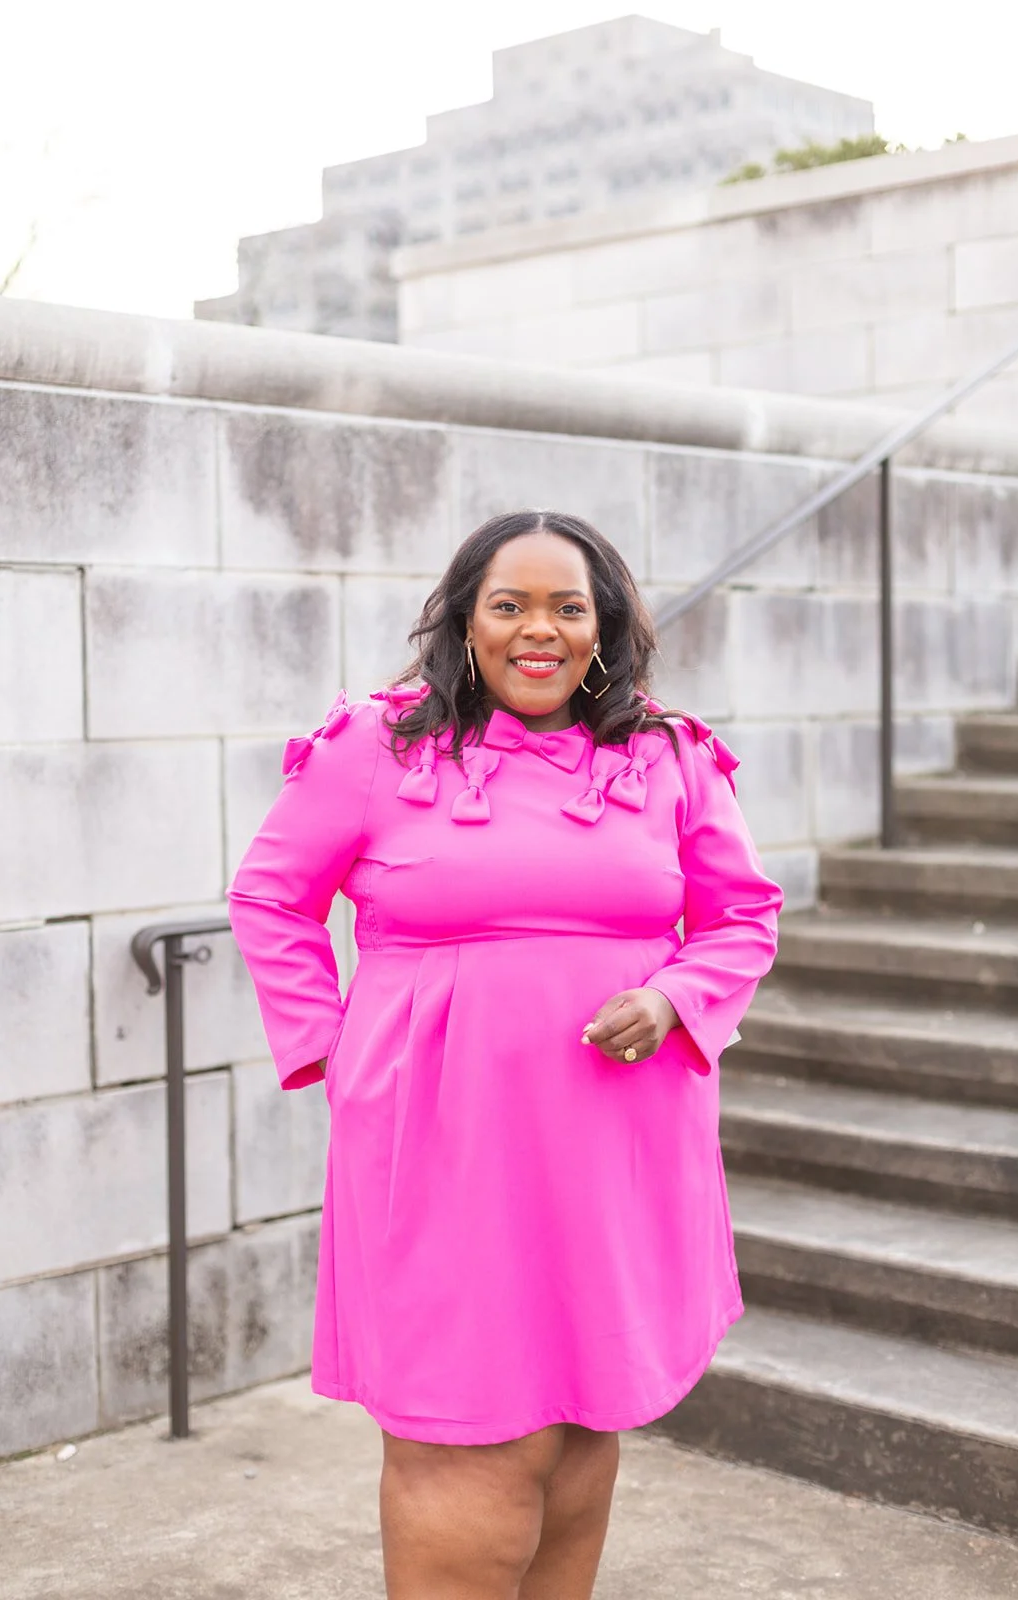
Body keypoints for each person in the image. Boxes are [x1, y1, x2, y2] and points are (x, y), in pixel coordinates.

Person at [227, 508, 782, 1599]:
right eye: (510, 604)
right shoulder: (378, 747)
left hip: (618, 1136)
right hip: (440, 1136)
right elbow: (270, 895)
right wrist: (336, 1052)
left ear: (603, 626)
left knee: (583, 1406)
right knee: (459, 1426)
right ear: (466, 623)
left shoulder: (667, 754)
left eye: (567, 607)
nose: (541, 629)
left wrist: (675, 997)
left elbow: (741, 915)